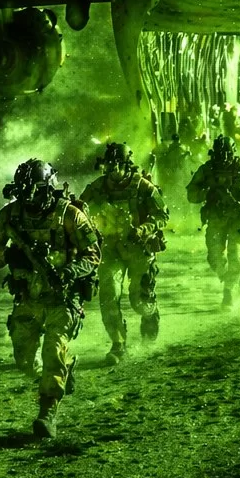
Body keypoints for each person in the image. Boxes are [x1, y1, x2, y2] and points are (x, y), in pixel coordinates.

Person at [0, 159, 100, 437]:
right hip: (28, 297)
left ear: (47, 189)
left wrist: (70, 272)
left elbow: (93, 254)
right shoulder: (11, 215)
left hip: (62, 298)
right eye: (23, 192)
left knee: (52, 352)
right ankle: (61, 372)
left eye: (34, 191)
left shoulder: (68, 214)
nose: (28, 198)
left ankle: (47, 412)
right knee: (24, 360)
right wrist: (9, 255)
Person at [79, 142, 169, 365]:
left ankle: (150, 314)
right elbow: (78, 211)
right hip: (111, 249)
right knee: (108, 294)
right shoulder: (97, 187)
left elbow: (162, 215)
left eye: (117, 165)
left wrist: (144, 229)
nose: (112, 170)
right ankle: (118, 343)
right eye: (109, 165)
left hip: (139, 248)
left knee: (139, 301)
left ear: (126, 165)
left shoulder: (143, 187)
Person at [186, 135, 240, 307]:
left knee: (234, 255)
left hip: (238, 218)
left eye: (227, 154)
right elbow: (191, 193)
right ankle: (229, 278)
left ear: (233, 152)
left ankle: (228, 292)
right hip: (216, 217)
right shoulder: (207, 169)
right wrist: (207, 192)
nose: (224, 158)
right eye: (220, 154)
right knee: (214, 258)